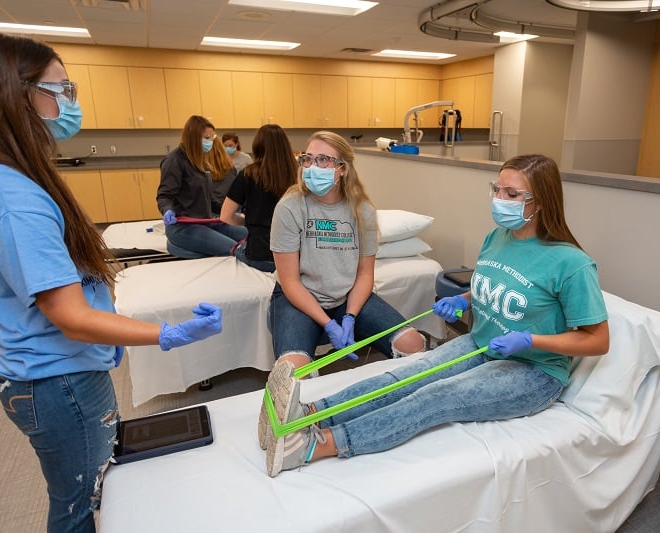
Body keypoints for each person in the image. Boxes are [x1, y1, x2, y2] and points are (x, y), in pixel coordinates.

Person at [0, 33, 223, 532]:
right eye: (60, 88)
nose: (70, 101)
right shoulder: (15, 199)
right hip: (57, 380)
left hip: (40, 372)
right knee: (82, 505)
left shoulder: (2, 178)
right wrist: (168, 334)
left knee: (82, 494)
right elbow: (71, 316)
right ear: (16, 93)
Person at [262, 153, 610, 478]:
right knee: (407, 375)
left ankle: (313, 446)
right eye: (498, 189)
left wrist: (530, 340)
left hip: (535, 371)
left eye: (513, 194)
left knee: (436, 396)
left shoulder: (571, 264)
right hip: (481, 342)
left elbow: (597, 340)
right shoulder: (499, 237)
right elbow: (496, 285)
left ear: (541, 202)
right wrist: (463, 300)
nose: (500, 199)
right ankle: (310, 413)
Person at [256, 131, 427, 451]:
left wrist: (348, 317)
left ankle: (399, 406)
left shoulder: (361, 211)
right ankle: (300, 431)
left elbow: (365, 275)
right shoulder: (290, 207)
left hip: (349, 298)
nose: (312, 166)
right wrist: (328, 323)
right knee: (291, 374)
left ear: (342, 168)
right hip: (298, 299)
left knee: (413, 343)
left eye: (323, 160)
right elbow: (290, 281)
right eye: (308, 159)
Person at [157, 115, 248, 256]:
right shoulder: (174, 161)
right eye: (207, 138)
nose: (210, 142)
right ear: (193, 138)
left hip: (205, 221)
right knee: (236, 249)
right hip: (183, 227)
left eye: (212, 137)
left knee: (251, 233)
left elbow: (209, 199)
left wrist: (231, 211)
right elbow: (164, 196)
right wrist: (167, 210)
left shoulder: (200, 161)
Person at [220, 124, 297, 273]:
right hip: (293, 258)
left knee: (236, 248)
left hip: (260, 257)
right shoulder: (298, 174)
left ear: (258, 146)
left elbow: (225, 216)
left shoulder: (248, 174)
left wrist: (247, 219)